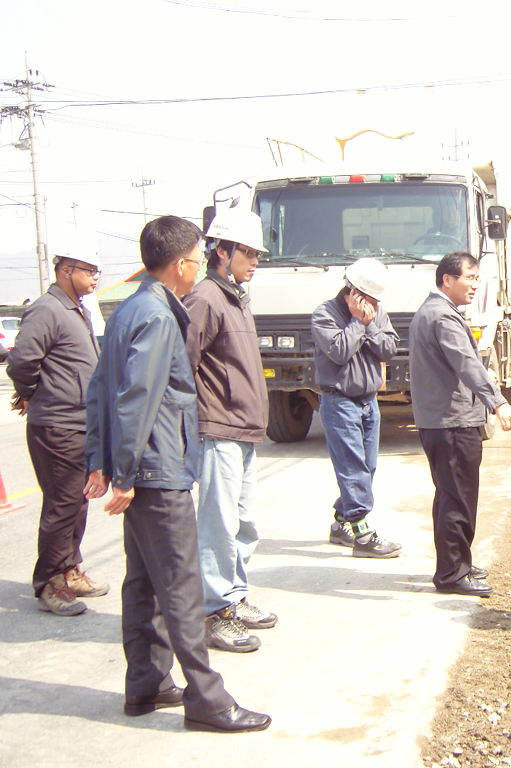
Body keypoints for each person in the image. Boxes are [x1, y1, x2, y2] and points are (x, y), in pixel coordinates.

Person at [84, 215, 269, 732]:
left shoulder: (129, 309)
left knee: (143, 582)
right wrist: (119, 473)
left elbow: (101, 387)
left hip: (140, 465)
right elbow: (136, 396)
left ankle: (146, 683)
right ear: (179, 263)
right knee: (182, 588)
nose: (196, 267)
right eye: (194, 258)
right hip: (156, 469)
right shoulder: (160, 315)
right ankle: (208, 700)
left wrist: (99, 459)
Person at [184, 208, 275, 654]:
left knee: (243, 523)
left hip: (244, 430)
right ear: (221, 250)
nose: (255, 260)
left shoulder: (236, 295)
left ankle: (234, 599)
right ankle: (213, 613)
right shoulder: (204, 298)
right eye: (248, 252)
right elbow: (181, 367)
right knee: (218, 525)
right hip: (218, 429)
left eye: (258, 253)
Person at [408, 252, 511, 597]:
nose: (475, 284)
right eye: (469, 278)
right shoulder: (442, 316)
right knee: (457, 498)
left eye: (476, 277)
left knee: (450, 496)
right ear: (447, 280)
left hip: (443, 420)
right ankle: (453, 574)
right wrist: (498, 401)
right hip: (452, 422)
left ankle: (457, 563)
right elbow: (467, 365)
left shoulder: (434, 312)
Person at [6, 238, 106, 616]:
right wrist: (31, 392)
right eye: (89, 270)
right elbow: (21, 362)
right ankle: (50, 581)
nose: (95, 277)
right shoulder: (47, 309)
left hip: (79, 421)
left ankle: (69, 568)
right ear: (66, 271)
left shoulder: (75, 308)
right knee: (62, 504)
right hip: (57, 424)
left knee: (76, 502)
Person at [312, 257, 403, 557]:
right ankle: (363, 537)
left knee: (367, 467)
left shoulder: (375, 313)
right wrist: (356, 323)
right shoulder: (324, 314)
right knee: (352, 469)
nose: (373, 305)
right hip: (339, 401)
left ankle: (342, 522)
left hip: (368, 401)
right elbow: (338, 351)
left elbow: (389, 348)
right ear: (353, 291)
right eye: (369, 298)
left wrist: (370, 326)